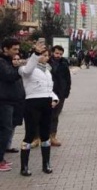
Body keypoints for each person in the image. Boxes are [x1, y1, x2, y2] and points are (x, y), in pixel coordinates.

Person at [18, 42, 59, 176]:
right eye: (43, 55)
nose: (46, 57)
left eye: (47, 55)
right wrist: (35, 55)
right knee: (30, 134)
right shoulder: (25, 68)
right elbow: (28, 70)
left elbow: (48, 87)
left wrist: (54, 98)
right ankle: (24, 166)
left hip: (46, 102)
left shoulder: (47, 70)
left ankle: (46, 164)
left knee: (45, 134)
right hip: (32, 103)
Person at [0, 38, 26, 172]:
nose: (17, 52)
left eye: (18, 49)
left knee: (8, 129)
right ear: (5, 49)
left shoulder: (9, 62)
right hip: (4, 101)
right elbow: (9, 76)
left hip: (12, 100)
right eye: (14, 49)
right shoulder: (2, 62)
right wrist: (20, 69)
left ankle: (2, 158)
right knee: (5, 130)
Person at [49, 45, 71, 147]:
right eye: (57, 53)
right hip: (47, 92)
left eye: (60, 54)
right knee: (42, 115)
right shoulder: (47, 62)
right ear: (52, 52)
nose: (58, 55)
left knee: (55, 116)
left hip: (60, 94)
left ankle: (53, 136)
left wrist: (66, 92)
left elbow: (68, 79)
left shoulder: (64, 63)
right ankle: (38, 137)